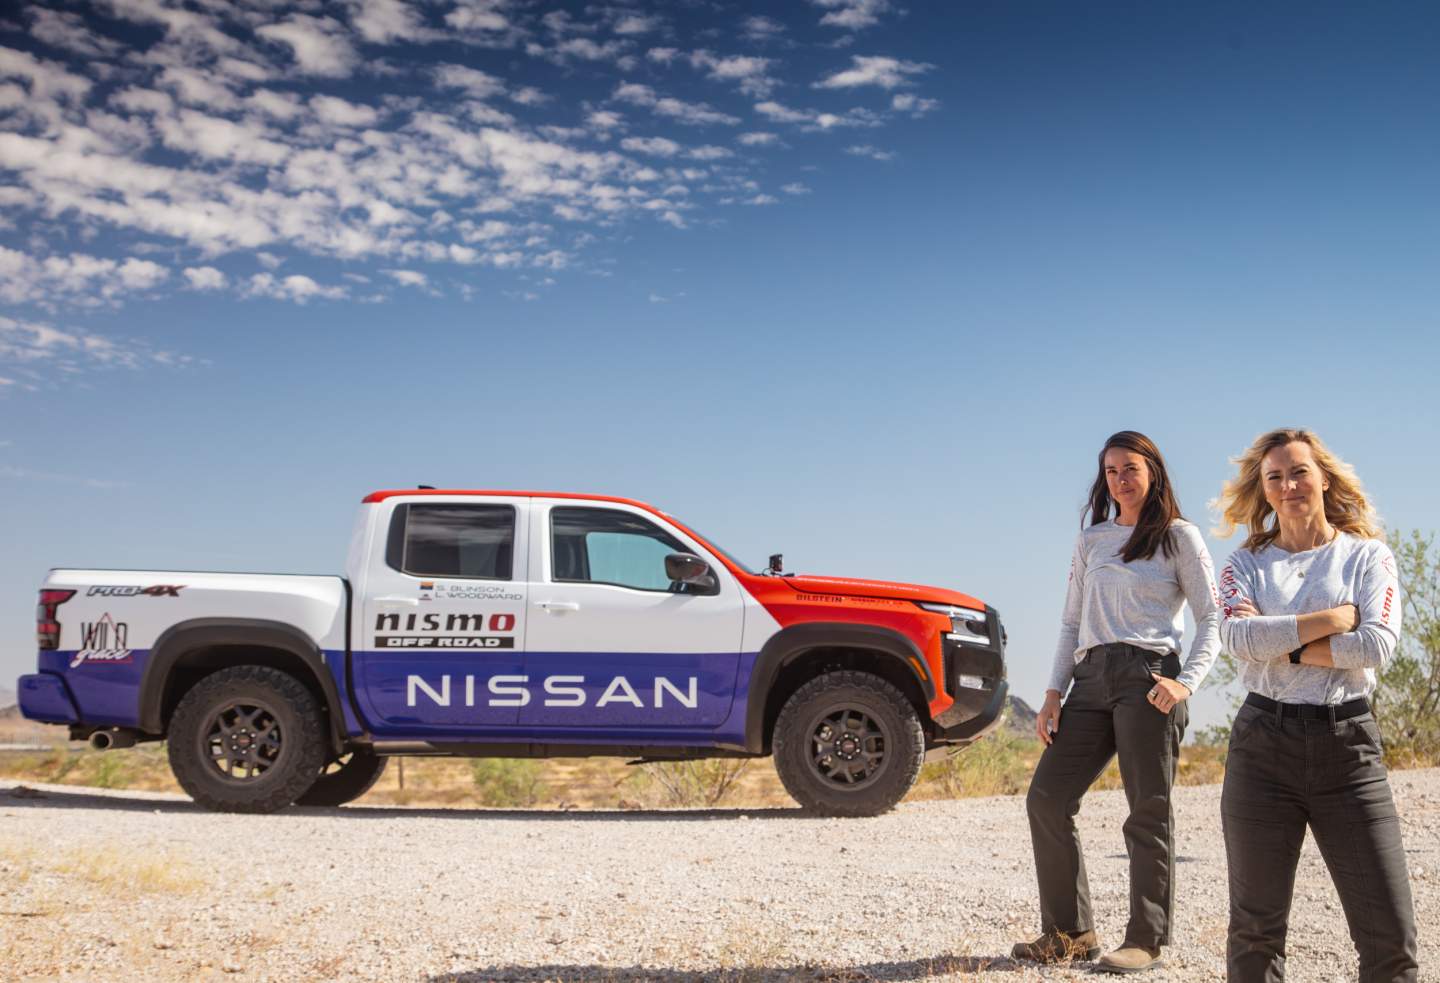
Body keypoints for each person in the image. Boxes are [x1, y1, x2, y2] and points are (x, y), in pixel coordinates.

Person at [1014, 431, 1220, 974]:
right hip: (1090, 679)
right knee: (1047, 798)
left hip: (1148, 678)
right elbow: (1069, 622)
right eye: (1111, 471)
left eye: (1130, 468)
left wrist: (1186, 682)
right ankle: (1068, 933)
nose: (1120, 479)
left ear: (1153, 472)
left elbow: (1212, 618)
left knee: (1147, 810)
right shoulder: (1093, 541)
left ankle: (1145, 939)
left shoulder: (1179, 537)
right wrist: (1053, 693)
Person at [1216, 428, 1417, 982]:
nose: (1289, 485)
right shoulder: (1244, 565)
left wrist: (1284, 644)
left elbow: (1375, 645)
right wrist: (1329, 621)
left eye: (1299, 471)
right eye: (1275, 477)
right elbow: (1238, 639)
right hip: (1262, 749)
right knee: (1255, 935)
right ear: (1263, 488)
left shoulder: (1367, 556)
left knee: (1390, 936)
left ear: (1324, 477)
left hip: (1348, 749)